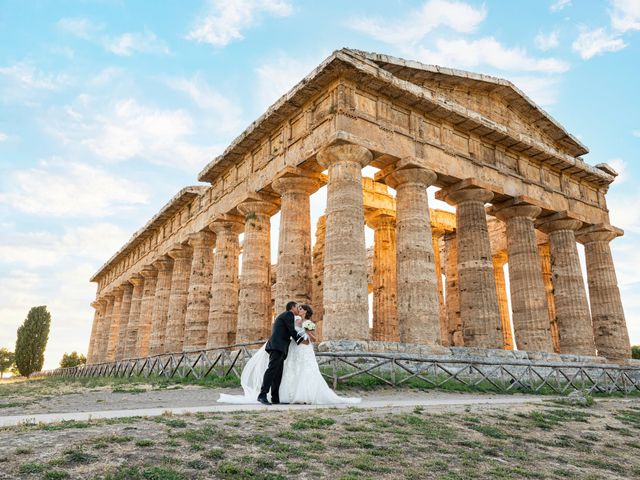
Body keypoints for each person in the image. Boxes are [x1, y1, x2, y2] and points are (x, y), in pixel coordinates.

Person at [217, 302, 360, 405]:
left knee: (280, 372)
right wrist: (301, 339)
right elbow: (293, 332)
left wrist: (306, 337)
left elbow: (303, 335)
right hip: (280, 346)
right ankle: (262, 395)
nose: (299, 309)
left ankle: (276, 398)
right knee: (274, 370)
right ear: (292, 308)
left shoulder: (299, 320)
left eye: (302, 308)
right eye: (298, 307)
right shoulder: (288, 316)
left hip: (289, 348)